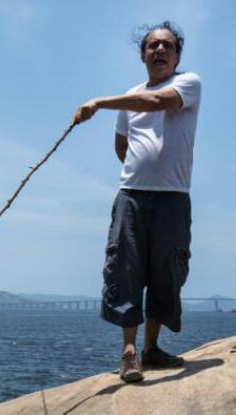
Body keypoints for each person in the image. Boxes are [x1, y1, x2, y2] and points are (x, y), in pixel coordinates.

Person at [73, 21, 201, 382]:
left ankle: (152, 349)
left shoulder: (188, 83)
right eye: (152, 45)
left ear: (177, 55)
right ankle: (129, 353)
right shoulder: (130, 97)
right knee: (125, 269)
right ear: (143, 54)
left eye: (167, 46)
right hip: (130, 196)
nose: (160, 50)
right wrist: (141, 172)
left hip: (173, 198)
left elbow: (157, 101)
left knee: (166, 271)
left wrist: (98, 102)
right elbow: (121, 146)